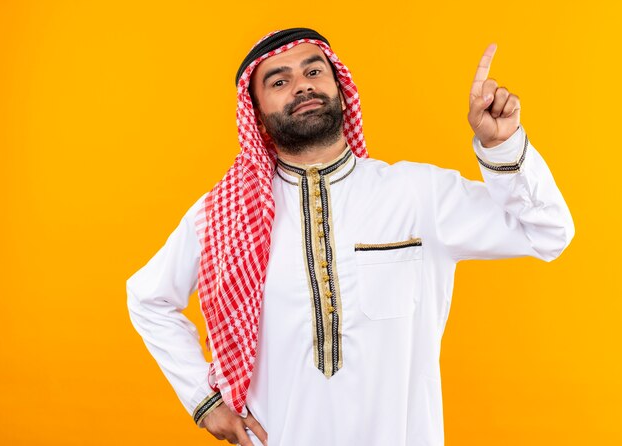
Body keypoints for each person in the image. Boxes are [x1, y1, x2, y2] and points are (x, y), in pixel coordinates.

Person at [126, 28, 574, 446]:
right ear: (257, 112)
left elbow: (548, 232)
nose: (302, 85)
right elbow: (147, 299)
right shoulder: (224, 217)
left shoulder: (417, 194)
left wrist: (503, 145)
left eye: (314, 71)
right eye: (279, 82)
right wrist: (205, 403)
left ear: (340, 88)